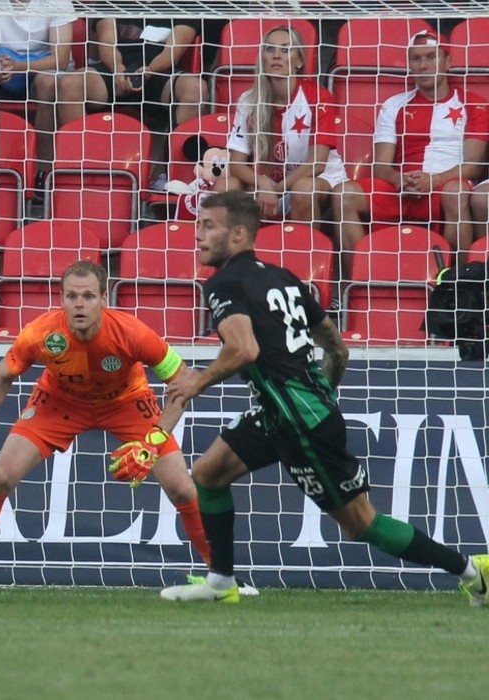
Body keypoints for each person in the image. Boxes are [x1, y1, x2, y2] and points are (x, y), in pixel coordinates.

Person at [159, 190, 489, 604]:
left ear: (239, 233)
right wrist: (320, 395)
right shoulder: (282, 278)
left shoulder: (224, 283)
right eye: (198, 225)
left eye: (208, 226)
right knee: (209, 474)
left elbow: (243, 350)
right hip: (284, 412)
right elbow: (337, 347)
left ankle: (472, 571)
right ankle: (221, 583)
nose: (198, 235)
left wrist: (197, 382)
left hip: (299, 421)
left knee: (361, 524)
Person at [0, 260, 214, 592]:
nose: (79, 304)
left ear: (104, 299)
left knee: (182, 488)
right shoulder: (41, 332)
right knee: (0, 477)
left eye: (88, 296)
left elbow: (184, 382)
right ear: (61, 300)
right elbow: (1, 376)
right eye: (71, 296)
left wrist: (153, 442)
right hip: (59, 401)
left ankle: (220, 573)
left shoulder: (133, 333)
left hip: (126, 402)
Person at [332, 31, 489, 277]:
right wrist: (399, 179)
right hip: (403, 187)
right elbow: (380, 165)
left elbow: (474, 165)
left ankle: (459, 282)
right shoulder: (394, 105)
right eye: (416, 59)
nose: (423, 65)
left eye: (431, 57)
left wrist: (435, 180)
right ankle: (356, 283)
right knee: (343, 194)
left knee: (455, 192)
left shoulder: (474, 105)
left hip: (446, 185)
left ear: (447, 62)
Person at [222, 26, 347, 226]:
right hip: (271, 182)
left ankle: (305, 246)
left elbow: (317, 163)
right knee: (225, 186)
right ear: (262, 58)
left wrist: (275, 190)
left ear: (299, 61)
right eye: (270, 49)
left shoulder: (318, 96)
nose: (276, 55)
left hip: (319, 178)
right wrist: (262, 183)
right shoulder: (248, 100)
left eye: (285, 49)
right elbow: (235, 164)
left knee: (303, 189)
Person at [0, 0, 75, 163]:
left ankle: (44, 168)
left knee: (48, 84)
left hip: (41, 69)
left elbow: (60, 60)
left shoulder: (59, 2)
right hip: (0, 67)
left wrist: (17, 67)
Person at [56, 17, 206, 137]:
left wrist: (150, 70)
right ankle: (80, 158)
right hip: (114, 70)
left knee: (196, 89)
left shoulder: (183, 4)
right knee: (69, 83)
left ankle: (171, 162)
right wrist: (118, 69)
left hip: (159, 72)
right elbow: (107, 43)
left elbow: (172, 52)